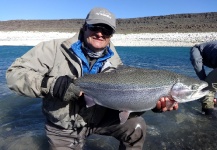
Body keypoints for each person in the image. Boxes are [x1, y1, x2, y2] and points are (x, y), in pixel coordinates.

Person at [6, 7, 178, 150]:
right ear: (85, 26)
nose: (100, 33)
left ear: (112, 34)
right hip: (64, 126)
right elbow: (14, 75)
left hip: (100, 119)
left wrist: (152, 103)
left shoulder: (115, 61)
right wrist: (52, 85)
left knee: (136, 126)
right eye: (95, 27)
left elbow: (126, 99)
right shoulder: (53, 49)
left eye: (107, 30)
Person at [190, 40, 217, 115]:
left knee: (207, 89)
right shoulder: (197, 51)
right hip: (205, 52)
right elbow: (197, 64)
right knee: (208, 86)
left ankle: (208, 118)